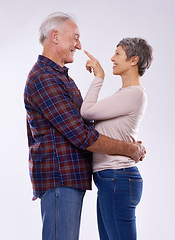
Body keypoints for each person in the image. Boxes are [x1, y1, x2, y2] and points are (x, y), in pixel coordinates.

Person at [24, 12, 146, 240]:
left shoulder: (61, 78)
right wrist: (130, 149)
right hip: (60, 179)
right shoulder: (44, 78)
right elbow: (82, 135)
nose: (79, 46)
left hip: (73, 180)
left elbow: (86, 126)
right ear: (55, 37)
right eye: (75, 38)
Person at [80, 38, 153, 240]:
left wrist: (99, 77)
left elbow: (86, 112)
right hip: (112, 179)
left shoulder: (134, 93)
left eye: (118, 54)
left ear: (134, 60)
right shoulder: (126, 95)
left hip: (117, 178)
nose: (112, 58)